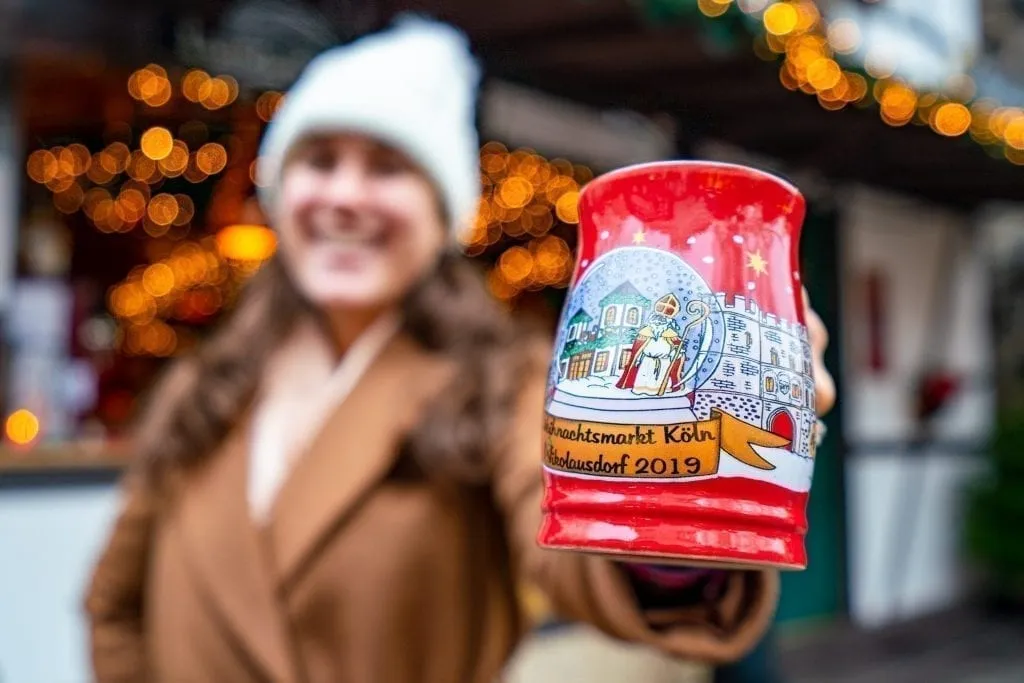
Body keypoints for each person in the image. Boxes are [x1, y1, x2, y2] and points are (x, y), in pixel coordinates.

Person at [84, 17, 837, 683]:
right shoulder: (202, 386)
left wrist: (686, 504)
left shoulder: (500, 383)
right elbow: (114, 603)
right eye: (319, 162)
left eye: (387, 167)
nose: (346, 193)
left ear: (443, 210)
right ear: (280, 193)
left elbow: (574, 541)